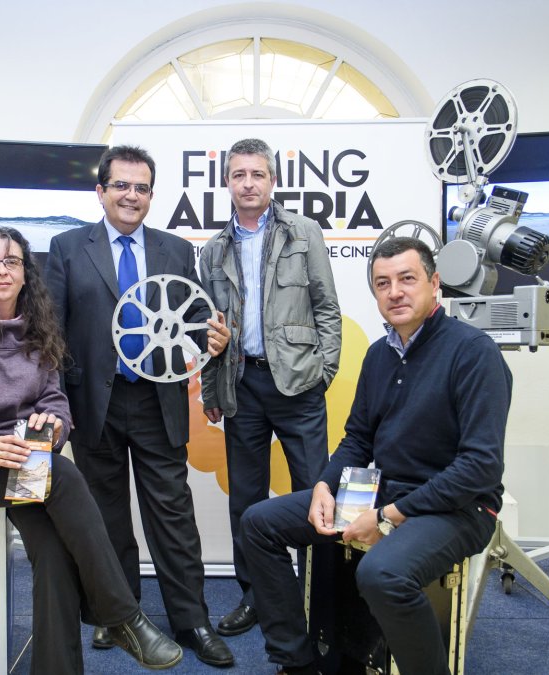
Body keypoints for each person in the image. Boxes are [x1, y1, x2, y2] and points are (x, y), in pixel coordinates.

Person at [0, 225, 183, 674]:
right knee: (62, 475)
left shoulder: (39, 327)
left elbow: (54, 399)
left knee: (53, 548)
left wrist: (53, 426)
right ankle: (122, 616)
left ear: (25, 273)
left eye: (11, 261)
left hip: (11, 456)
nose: (2, 270)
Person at [238, 236, 512, 675]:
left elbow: (479, 468)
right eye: (383, 283)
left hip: (459, 507)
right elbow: (357, 439)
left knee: (381, 574)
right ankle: (297, 662)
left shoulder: (474, 352)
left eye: (407, 279)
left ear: (434, 283)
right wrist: (324, 484)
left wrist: (387, 516)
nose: (395, 292)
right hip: (388, 492)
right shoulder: (378, 354)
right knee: (258, 523)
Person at [45, 146, 235, 667]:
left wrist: (213, 339)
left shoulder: (176, 250)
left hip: (158, 401)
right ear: (101, 191)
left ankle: (192, 621)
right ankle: (117, 616)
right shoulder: (67, 248)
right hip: (92, 403)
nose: (132, 196)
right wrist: (57, 405)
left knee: (172, 516)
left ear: (151, 194)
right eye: (122, 185)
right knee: (105, 517)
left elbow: (193, 321)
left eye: (142, 188)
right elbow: (51, 333)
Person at [197, 137, 341, 637]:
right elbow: (209, 330)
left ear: (272, 180)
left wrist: (324, 372)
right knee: (246, 500)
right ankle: (256, 595)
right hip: (242, 385)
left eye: (257, 174)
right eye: (239, 175)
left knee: (315, 491)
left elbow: (327, 306)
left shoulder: (304, 232)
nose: (248, 184)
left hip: (299, 384)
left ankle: (320, 596)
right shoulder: (213, 251)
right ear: (227, 182)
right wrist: (212, 391)